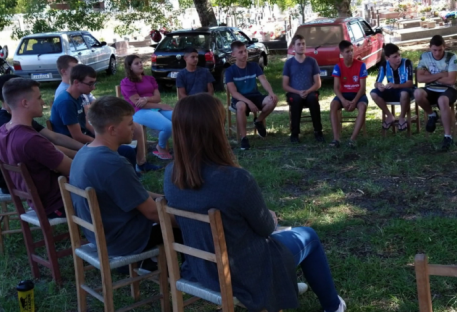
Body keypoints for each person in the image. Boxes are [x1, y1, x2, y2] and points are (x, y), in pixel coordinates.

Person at [163, 93, 346, 312]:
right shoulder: (235, 179)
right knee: (308, 235)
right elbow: (267, 229)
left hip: (200, 268)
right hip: (244, 271)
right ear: (215, 130)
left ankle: (283, 283)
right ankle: (333, 306)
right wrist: (270, 215)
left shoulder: (170, 174)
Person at [70, 95, 181, 259]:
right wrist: (191, 221)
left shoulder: (84, 152)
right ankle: (192, 276)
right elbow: (152, 213)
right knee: (190, 229)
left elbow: (136, 193)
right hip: (124, 240)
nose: (134, 128)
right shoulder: (114, 164)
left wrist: (168, 199)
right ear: (112, 129)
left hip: (101, 235)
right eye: (129, 124)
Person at [54, 56, 157, 172]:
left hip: (87, 139)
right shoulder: (66, 102)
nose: (93, 87)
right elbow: (77, 136)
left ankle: (133, 172)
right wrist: (103, 141)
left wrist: (102, 135)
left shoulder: (77, 97)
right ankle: (129, 178)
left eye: (94, 83)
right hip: (75, 144)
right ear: (76, 83)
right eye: (90, 84)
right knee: (126, 151)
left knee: (126, 138)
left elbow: (87, 125)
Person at [0, 78, 71, 218]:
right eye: (39, 98)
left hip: (39, 202)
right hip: (59, 203)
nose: (43, 102)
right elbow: (73, 168)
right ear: (25, 103)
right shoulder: (31, 140)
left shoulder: (3, 131)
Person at [226, 41, 278, 150]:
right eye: (240, 52)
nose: (244, 54)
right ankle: (244, 138)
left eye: (245, 51)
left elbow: (263, 80)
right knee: (241, 106)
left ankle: (258, 120)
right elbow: (234, 92)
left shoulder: (254, 66)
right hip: (239, 98)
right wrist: (249, 102)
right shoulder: (230, 71)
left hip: (255, 95)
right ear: (233, 54)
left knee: (273, 100)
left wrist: (271, 92)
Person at [121, 55, 173, 160]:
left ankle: (184, 146)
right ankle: (160, 147)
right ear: (130, 67)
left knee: (180, 117)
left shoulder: (150, 78)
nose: (140, 65)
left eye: (141, 62)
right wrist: (161, 106)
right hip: (138, 112)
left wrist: (146, 98)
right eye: (136, 63)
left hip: (154, 108)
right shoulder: (127, 82)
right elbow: (138, 104)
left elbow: (157, 97)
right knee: (168, 126)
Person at [414, 35, 457, 151]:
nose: (437, 53)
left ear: (444, 47)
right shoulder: (425, 56)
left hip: (449, 89)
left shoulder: (452, 57)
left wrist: (430, 76)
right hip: (431, 88)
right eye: (434, 50)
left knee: (442, 100)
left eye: (440, 50)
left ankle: (448, 136)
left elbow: (451, 80)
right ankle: (432, 114)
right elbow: (420, 78)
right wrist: (440, 75)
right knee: (417, 93)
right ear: (430, 48)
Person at [282, 34, 324, 143]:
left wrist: (308, 91)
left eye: (303, 44)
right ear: (293, 47)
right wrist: (298, 92)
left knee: (313, 99)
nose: (301, 46)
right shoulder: (289, 63)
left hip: (309, 91)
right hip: (294, 93)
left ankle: (318, 131)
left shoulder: (312, 61)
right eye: (299, 44)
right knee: (296, 100)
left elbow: (318, 83)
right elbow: (285, 85)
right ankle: (294, 134)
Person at [330, 40, 368, 148]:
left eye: (352, 51)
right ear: (341, 53)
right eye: (347, 51)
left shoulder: (361, 65)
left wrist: (354, 101)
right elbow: (336, 88)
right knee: (333, 106)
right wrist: (343, 100)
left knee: (362, 107)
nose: (350, 53)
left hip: (358, 94)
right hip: (343, 95)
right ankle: (336, 139)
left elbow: (363, 88)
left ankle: (353, 139)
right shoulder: (338, 66)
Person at [370, 43, 414, 132]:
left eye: (399, 55)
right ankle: (389, 116)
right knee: (373, 93)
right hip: (391, 91)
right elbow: (377, 82)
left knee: (404, 93)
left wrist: (395, 85)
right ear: (387, 58)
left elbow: (410, 83)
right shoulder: (384, 65)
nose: (398, 58)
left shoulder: (407, 63)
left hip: (404, 90)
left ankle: (402, 117)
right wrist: (379, 85)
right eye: (395, 56)